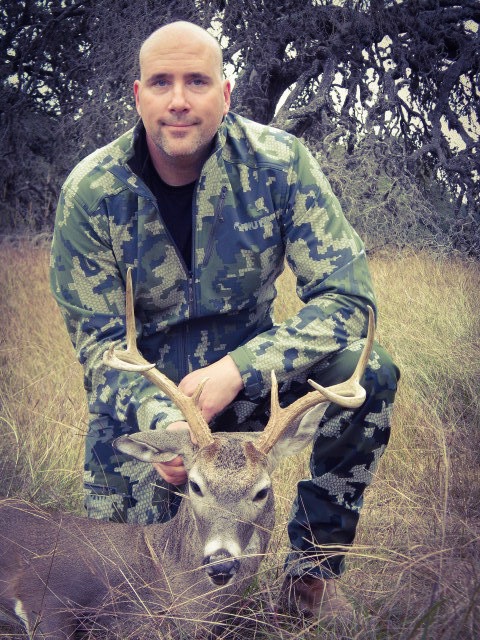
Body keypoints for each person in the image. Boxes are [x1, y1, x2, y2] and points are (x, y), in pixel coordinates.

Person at [50, 20, 399, 619]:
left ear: (226, 93)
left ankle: (310, 574)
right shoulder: (92, 193)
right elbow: (101, 350)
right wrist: (168, 423)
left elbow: (348, 301)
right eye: (161, 82)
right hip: (152, 410)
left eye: (197, 81)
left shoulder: (279, 164)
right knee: (125, 597)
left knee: (367, 375)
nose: (179, 100)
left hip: (253, 392)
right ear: (138, 96)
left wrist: (240, 369)